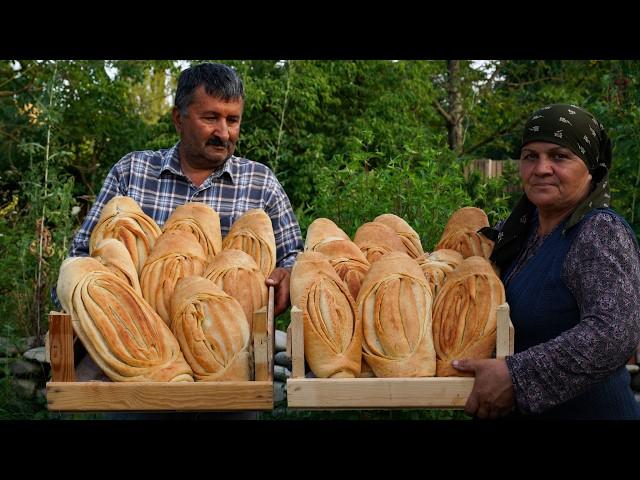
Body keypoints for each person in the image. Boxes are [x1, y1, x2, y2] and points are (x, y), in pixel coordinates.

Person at [61, 62, 302, 418]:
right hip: (139, 375)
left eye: (232, 120)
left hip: (231, 381)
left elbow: (294, 256)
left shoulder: (260, 182)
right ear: (178, 118)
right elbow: (81, 257)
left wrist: (287, 276)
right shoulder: (133, 172)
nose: (224, 132)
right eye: (211, 118)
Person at [453, 103, 640, 420]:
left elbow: (614, 334)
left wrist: (516, 376)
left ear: (591, 169)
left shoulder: (599, 232)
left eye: (559, 156)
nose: (541, 168)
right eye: (530, 156)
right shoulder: (518, 235)